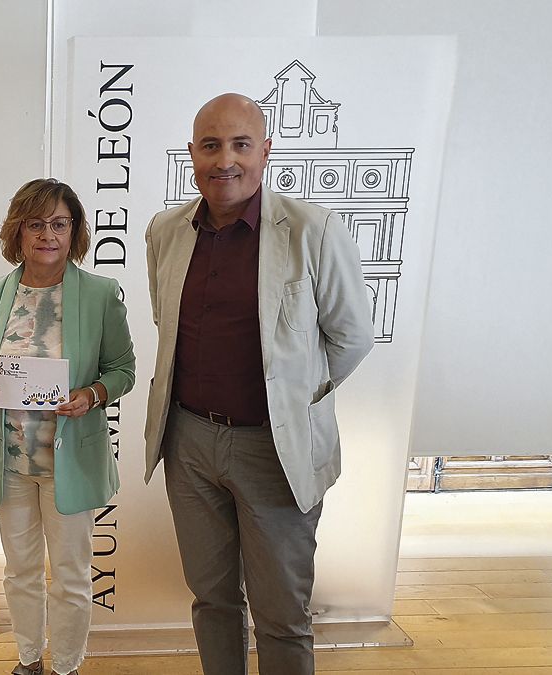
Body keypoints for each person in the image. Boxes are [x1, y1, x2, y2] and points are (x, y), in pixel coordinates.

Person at [142, 93, 375, 674]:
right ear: (192, 154)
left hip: (275, 450)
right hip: (189, 445)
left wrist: (295, 403)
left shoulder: (310, 230)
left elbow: (351, 338)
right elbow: (164, 321)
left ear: (265, 151)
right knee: (213, 600)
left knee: (281, 614)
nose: (226, 160)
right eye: (211, 145)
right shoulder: (165, 231)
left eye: (241, 144)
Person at [0, 178, 136, 675]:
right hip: (10, 461)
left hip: (71, 461)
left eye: (59, 224)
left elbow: (122, 369)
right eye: (36, 223)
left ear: (74, 231)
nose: (47, 235)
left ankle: (65, 666)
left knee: (71, 575)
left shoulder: (100, 295)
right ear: (18, 230)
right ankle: (28, 660)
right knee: (19, 572)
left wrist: (92, 395)